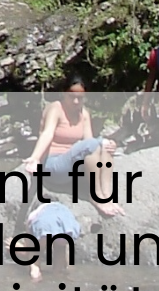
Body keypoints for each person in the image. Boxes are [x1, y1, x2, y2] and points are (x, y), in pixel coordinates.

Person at [23, 79, 121, 215]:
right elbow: (47, 133)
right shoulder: (55, 108)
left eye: (80, 98)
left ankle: (107, 196)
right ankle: (96, 195)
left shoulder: (84, 113)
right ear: (64, 93)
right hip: (53, 165)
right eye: (72, 97)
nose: (76, 101)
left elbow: (91, 145)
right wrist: (35, 158)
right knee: (96, 143)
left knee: (105, 146)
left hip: (72, 167)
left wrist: (108, 144)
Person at [25, 197, 82, 283]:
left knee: (35, 253)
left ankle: (35, 275)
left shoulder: (36, 213)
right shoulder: (62, 208)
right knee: (60, 248)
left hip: (45, 224)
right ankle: (58, 274)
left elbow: (29, 246)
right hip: (68, 226)